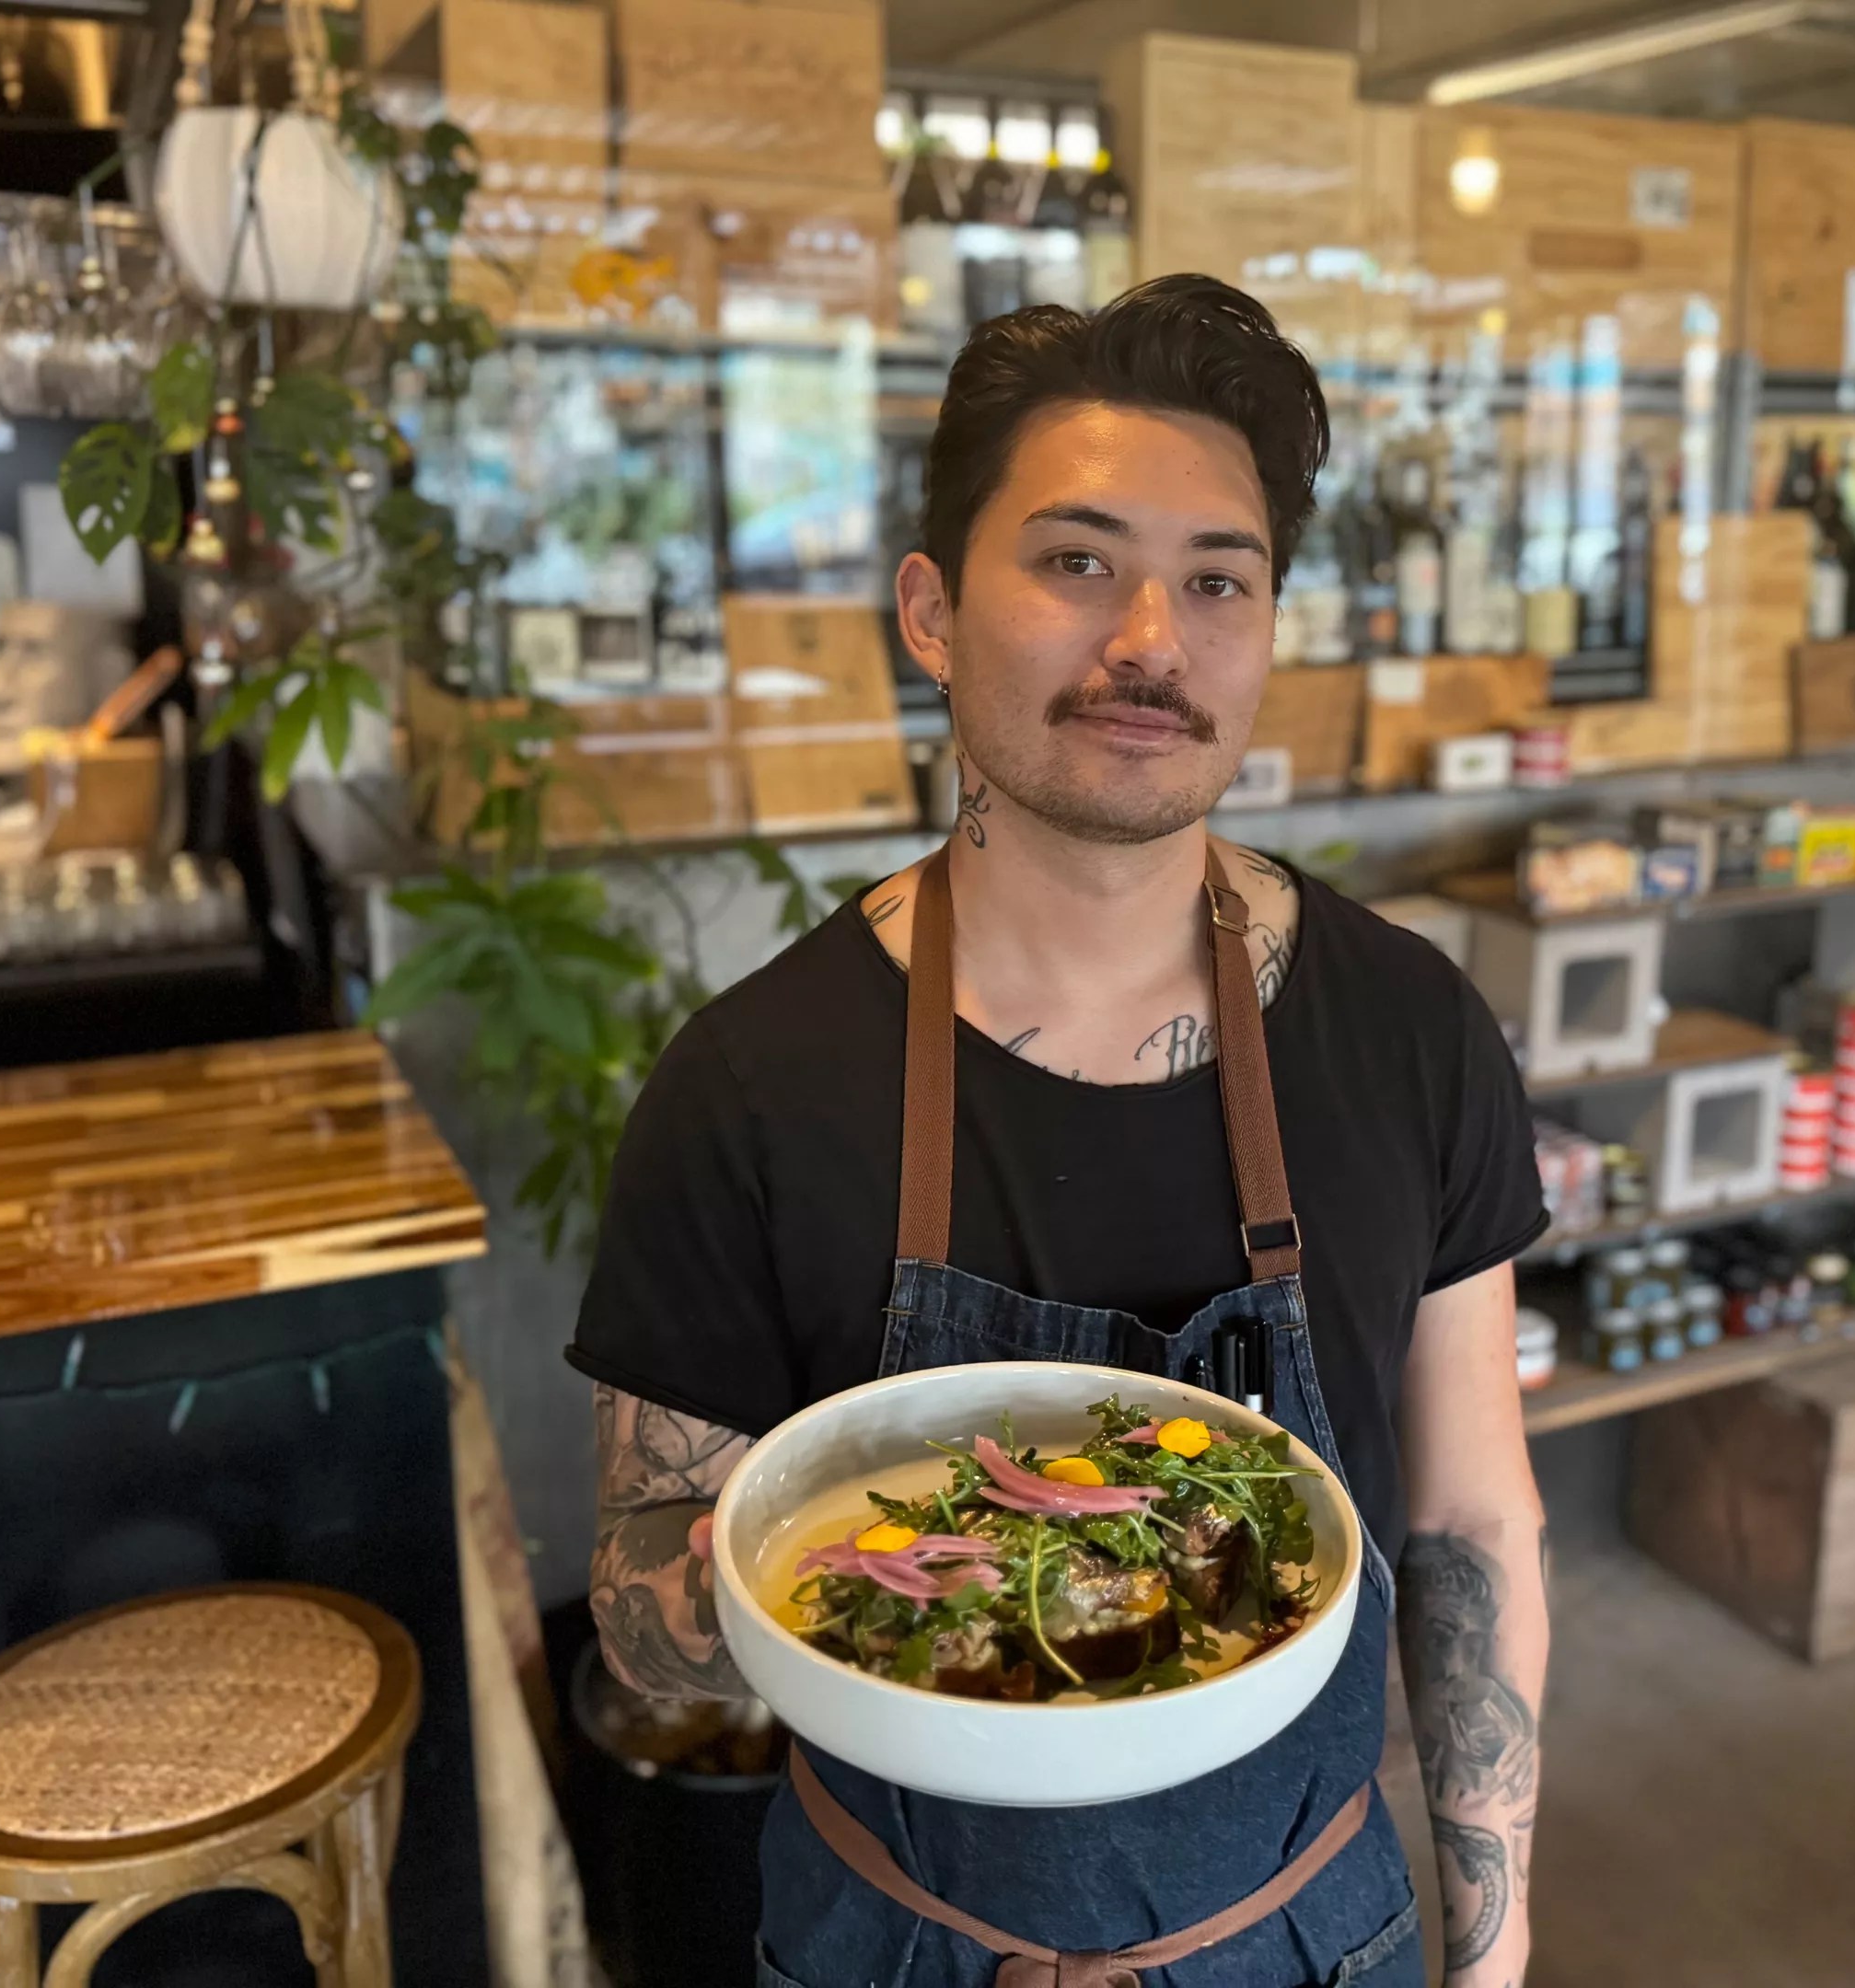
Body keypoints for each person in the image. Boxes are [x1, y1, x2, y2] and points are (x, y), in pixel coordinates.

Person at [569, 275, 1549, 1988]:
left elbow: (1468, 1529)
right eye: (1078, 560)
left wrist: (1492, 1942)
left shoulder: (1413, 1033)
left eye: (1217, 580)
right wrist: (916, 1572)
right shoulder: (752, 1083)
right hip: (903, 1946)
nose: (1151, 639)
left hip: (1317, 1935)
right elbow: (645, 1611)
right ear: (934, 611)